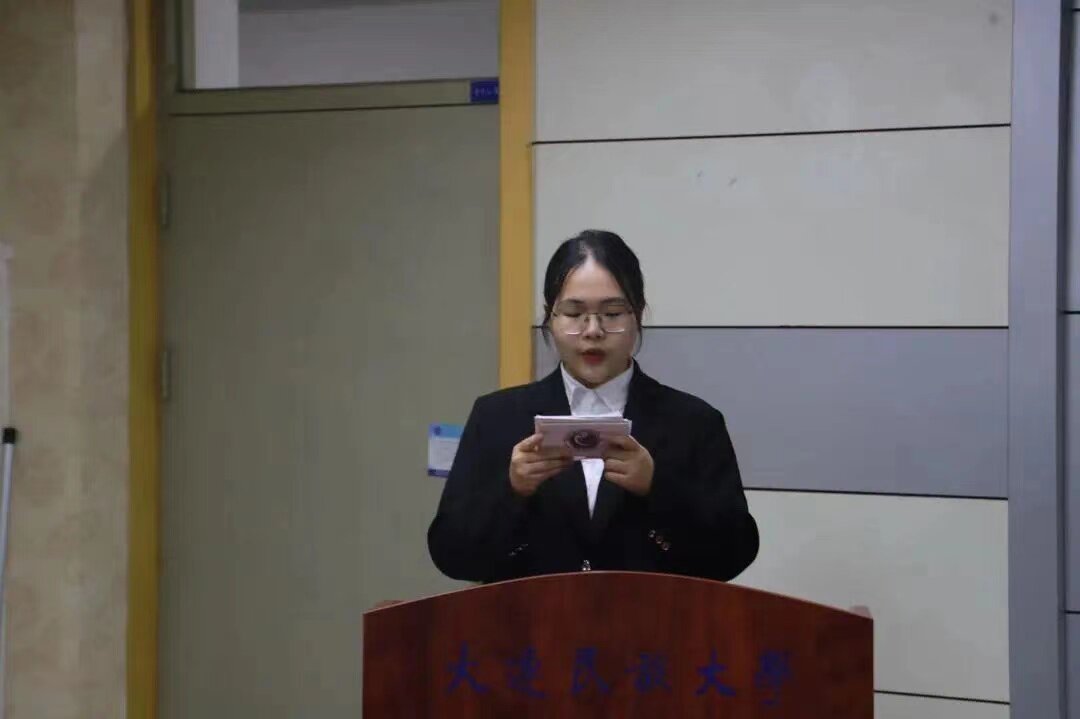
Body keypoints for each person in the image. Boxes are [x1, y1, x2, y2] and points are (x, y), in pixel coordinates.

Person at [428, 230, 759, 583]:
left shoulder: (694, 422)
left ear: (638, 315)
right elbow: (451, 555)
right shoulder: (497, 417)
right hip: (528, 618)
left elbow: (734, 554)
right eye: (574, 313)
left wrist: (657, 487)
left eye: (612, 313)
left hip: (651, 618)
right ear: (550, 318)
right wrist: (512, 490)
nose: (593, 331)